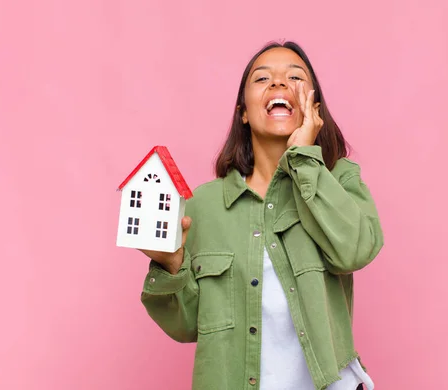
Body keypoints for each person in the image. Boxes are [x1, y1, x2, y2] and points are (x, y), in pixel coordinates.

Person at [138, 41, 384, 390]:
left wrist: (304, 158)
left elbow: (355, 250)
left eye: (295, 77)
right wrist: (171, 267)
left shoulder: (339, 181)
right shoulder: (201, 206)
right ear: (243, 111)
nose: (279, 84)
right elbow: (186, 326)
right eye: (263, 78)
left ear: (314, 109)